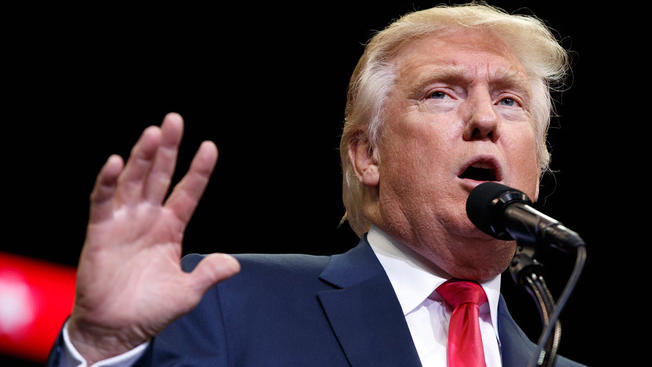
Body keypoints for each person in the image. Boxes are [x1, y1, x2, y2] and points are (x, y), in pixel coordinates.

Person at [46, 3, 585, 367]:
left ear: (536, 164)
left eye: (510, 101)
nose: (485, 120)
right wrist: (101, 347)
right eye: (442, 93)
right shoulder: (229, 303)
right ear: (368, 155)